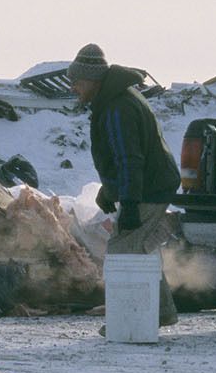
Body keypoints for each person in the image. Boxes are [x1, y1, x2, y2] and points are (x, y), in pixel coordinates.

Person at [67, 43, 180, 327]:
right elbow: (122, 158)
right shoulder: (115, 100)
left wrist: (128, 203)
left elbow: (130, 159)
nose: (74, 88)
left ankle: (127, 320)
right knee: (142, 248)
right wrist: (111, 190)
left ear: (92, 79)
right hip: (152, 185)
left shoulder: (118, 107)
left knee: (122, 250)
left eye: (77, 81)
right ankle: (162, 311)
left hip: (149, 189)